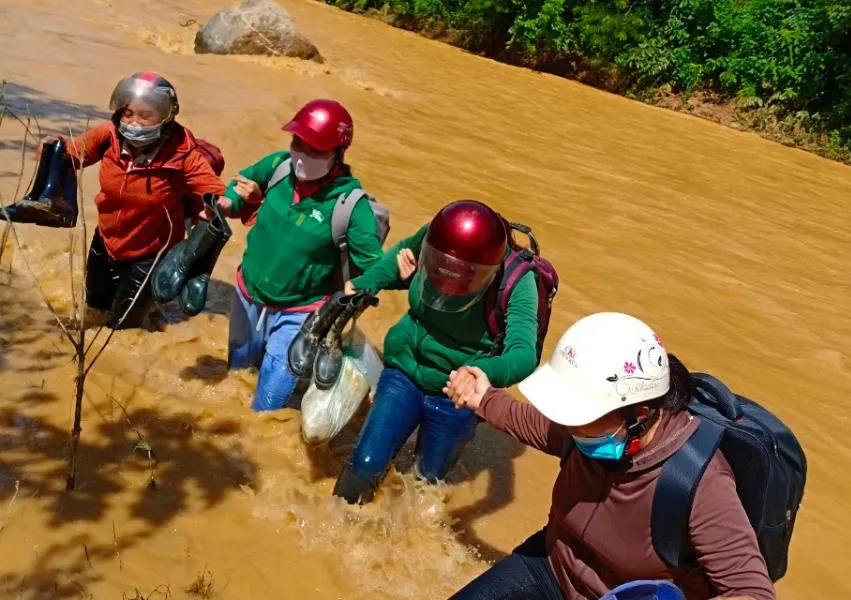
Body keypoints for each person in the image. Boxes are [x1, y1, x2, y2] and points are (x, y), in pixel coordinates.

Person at [444, 312, 776, 600]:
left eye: (577, 417)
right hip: (552, 565)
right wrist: (484, 398)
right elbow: (535, 424)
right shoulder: (588, 425)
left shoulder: (698, 481)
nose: (566, 426)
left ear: (639, 415)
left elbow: (751, 590)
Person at [332, 199, 540, 505]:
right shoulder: (438, 236)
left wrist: (481, 373)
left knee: (425, 483)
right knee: (363, 467)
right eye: (443, 267)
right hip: (404, 370)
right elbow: (400, 253)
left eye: (463, 273)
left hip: (456, 393)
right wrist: (363, 285)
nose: (447, 282)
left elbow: (524, 353)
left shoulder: (519, 281)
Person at [218, 99, 384, 412]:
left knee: (269, 404)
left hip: (299, 311)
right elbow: (240, 183)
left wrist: (355, 296)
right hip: (248, 293)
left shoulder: (350, 206)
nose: (303, 156)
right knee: (236, 376)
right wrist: (228, 205)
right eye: (298, 143)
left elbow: (374, 268)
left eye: (316, 150)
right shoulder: (279, 167)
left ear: (338, 152)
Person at [45, 72, 226, 329]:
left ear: (166, 117)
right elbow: (71, 156)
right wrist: (52, 150)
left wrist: (221, 206)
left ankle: (147, 311)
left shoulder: (183, 155)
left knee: (122, 329)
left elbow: (215, 191)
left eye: (145, 115)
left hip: (151, 252)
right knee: (94, 308)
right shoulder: (107, 137)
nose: (134, 123)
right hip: (106, 240)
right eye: (128, 114)